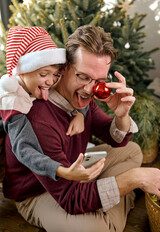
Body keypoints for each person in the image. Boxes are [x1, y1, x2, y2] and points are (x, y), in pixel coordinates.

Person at [3, 25, 160, 232]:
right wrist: (133, 179)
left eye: (98, 81)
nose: (89, 89)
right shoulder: (37, 118)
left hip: (73, 167)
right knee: (100, 228)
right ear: (64, 67)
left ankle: (107, 196)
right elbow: (69, 197)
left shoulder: (80, 98)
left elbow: (117, 139)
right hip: (39, 191)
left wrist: (122, 115)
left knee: (132, 151)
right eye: (83, 76)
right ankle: (116, 201)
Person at [0, 26, 104, 182]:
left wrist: (80, 114)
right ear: (23, 71)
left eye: (55, 74)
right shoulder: (13, 104)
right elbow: (25, 149)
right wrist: (61, 171)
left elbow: (77, 93)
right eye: (43, 74)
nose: (50, 81)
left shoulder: (39, 86)